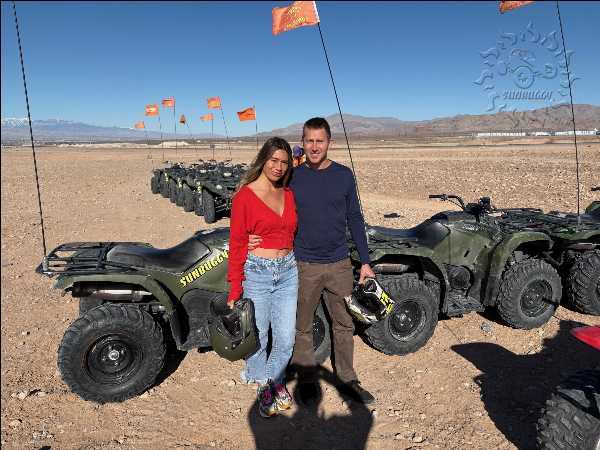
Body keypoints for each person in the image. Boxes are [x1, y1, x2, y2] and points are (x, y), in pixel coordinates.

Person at [250, 117, 376, 405]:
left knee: (344, 324)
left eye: (320, 141)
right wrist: (252, 234)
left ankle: (348, 379)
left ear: (329, 142)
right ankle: (307, 380)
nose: (315, 146)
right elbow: (265, 201)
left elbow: (355, 218)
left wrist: (366, 262)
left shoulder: (344, 175)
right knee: (302, 325)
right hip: (304, 265)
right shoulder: (293, 176)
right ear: (302, 143)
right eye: (310, 141)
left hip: (339, 264)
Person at [227, 137, 298, 418]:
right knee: (258, 335)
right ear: (263, 160)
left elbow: (289, 230)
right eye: (274, 160)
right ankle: (264, 386)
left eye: (284, 162)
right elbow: (236, 244)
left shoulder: (288, 193)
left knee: (286, 337)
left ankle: (273, 380)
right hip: (258, 272)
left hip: (288, 271)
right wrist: (235, 289)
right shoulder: (245, 196)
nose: (278, 167)